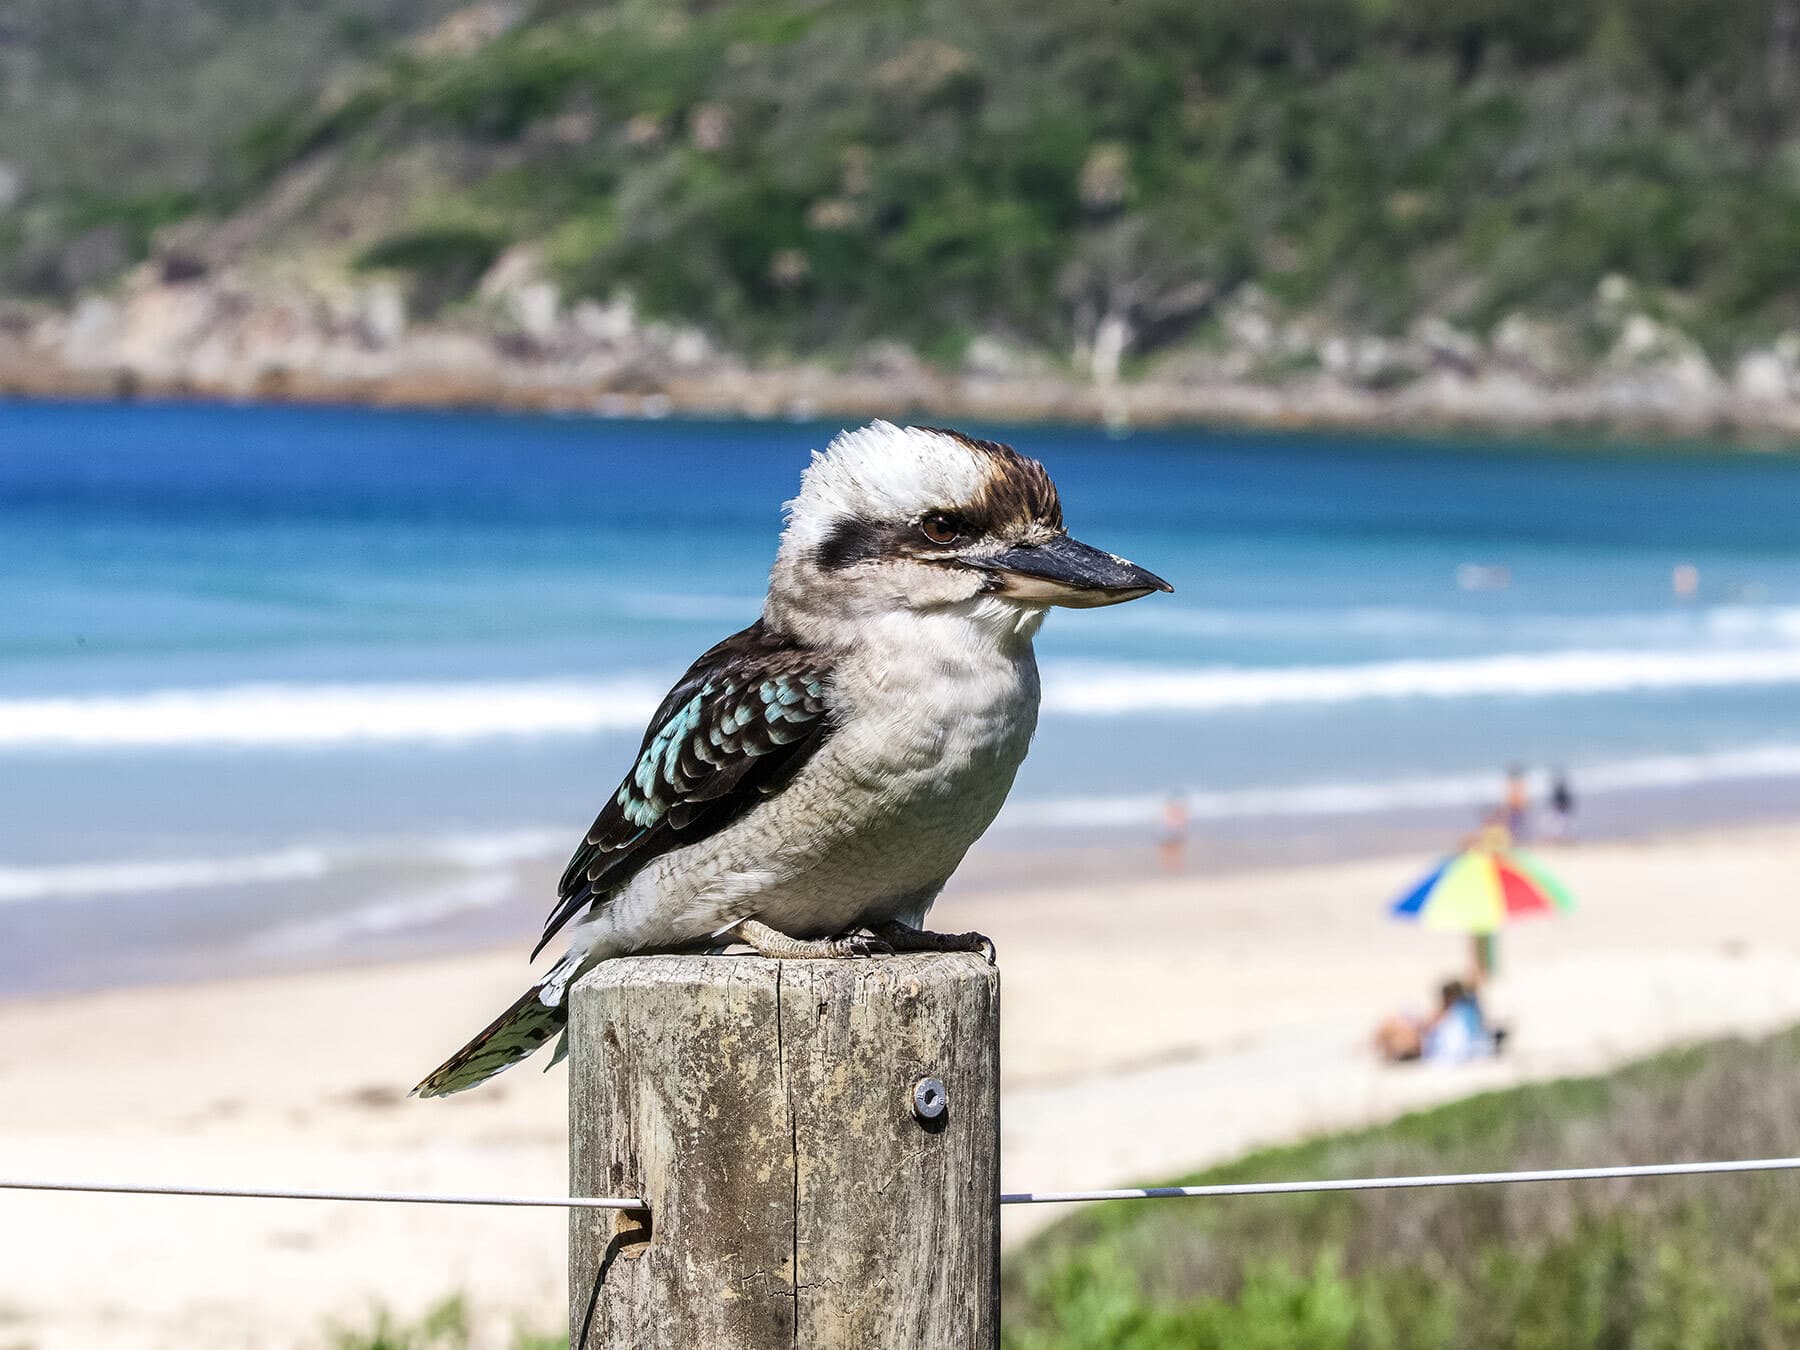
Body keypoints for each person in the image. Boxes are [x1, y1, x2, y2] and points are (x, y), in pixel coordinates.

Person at [1375, 976, 1500, 1064]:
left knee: (1394, 1025)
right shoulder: (1464, 1011)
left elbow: (1429, 1027)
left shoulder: (1456, 1013)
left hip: (1437, 1045)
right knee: (1394, 1026)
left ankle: (1385, 1047)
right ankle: (1386, 1047)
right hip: (1438, 1044)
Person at [1545, 770, 1575, 843]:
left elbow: (1566, 802)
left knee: (1560, 826)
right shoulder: (1560, 791)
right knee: (1559, 826)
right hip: (1560, 810)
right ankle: (1559, 839)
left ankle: (1561, 839)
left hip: (1562, 811)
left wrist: (1562, 807)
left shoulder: (1562, 792)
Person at [1503, 765, 1530, 841]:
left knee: (1517, 824)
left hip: (1517, 805)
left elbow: (1522, 794)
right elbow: (1509, 795)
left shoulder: (1517, 784)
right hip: (1514, 806)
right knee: (1514, 824)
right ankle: (1516, 837)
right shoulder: (1514, 784)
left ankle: (1518, 837)